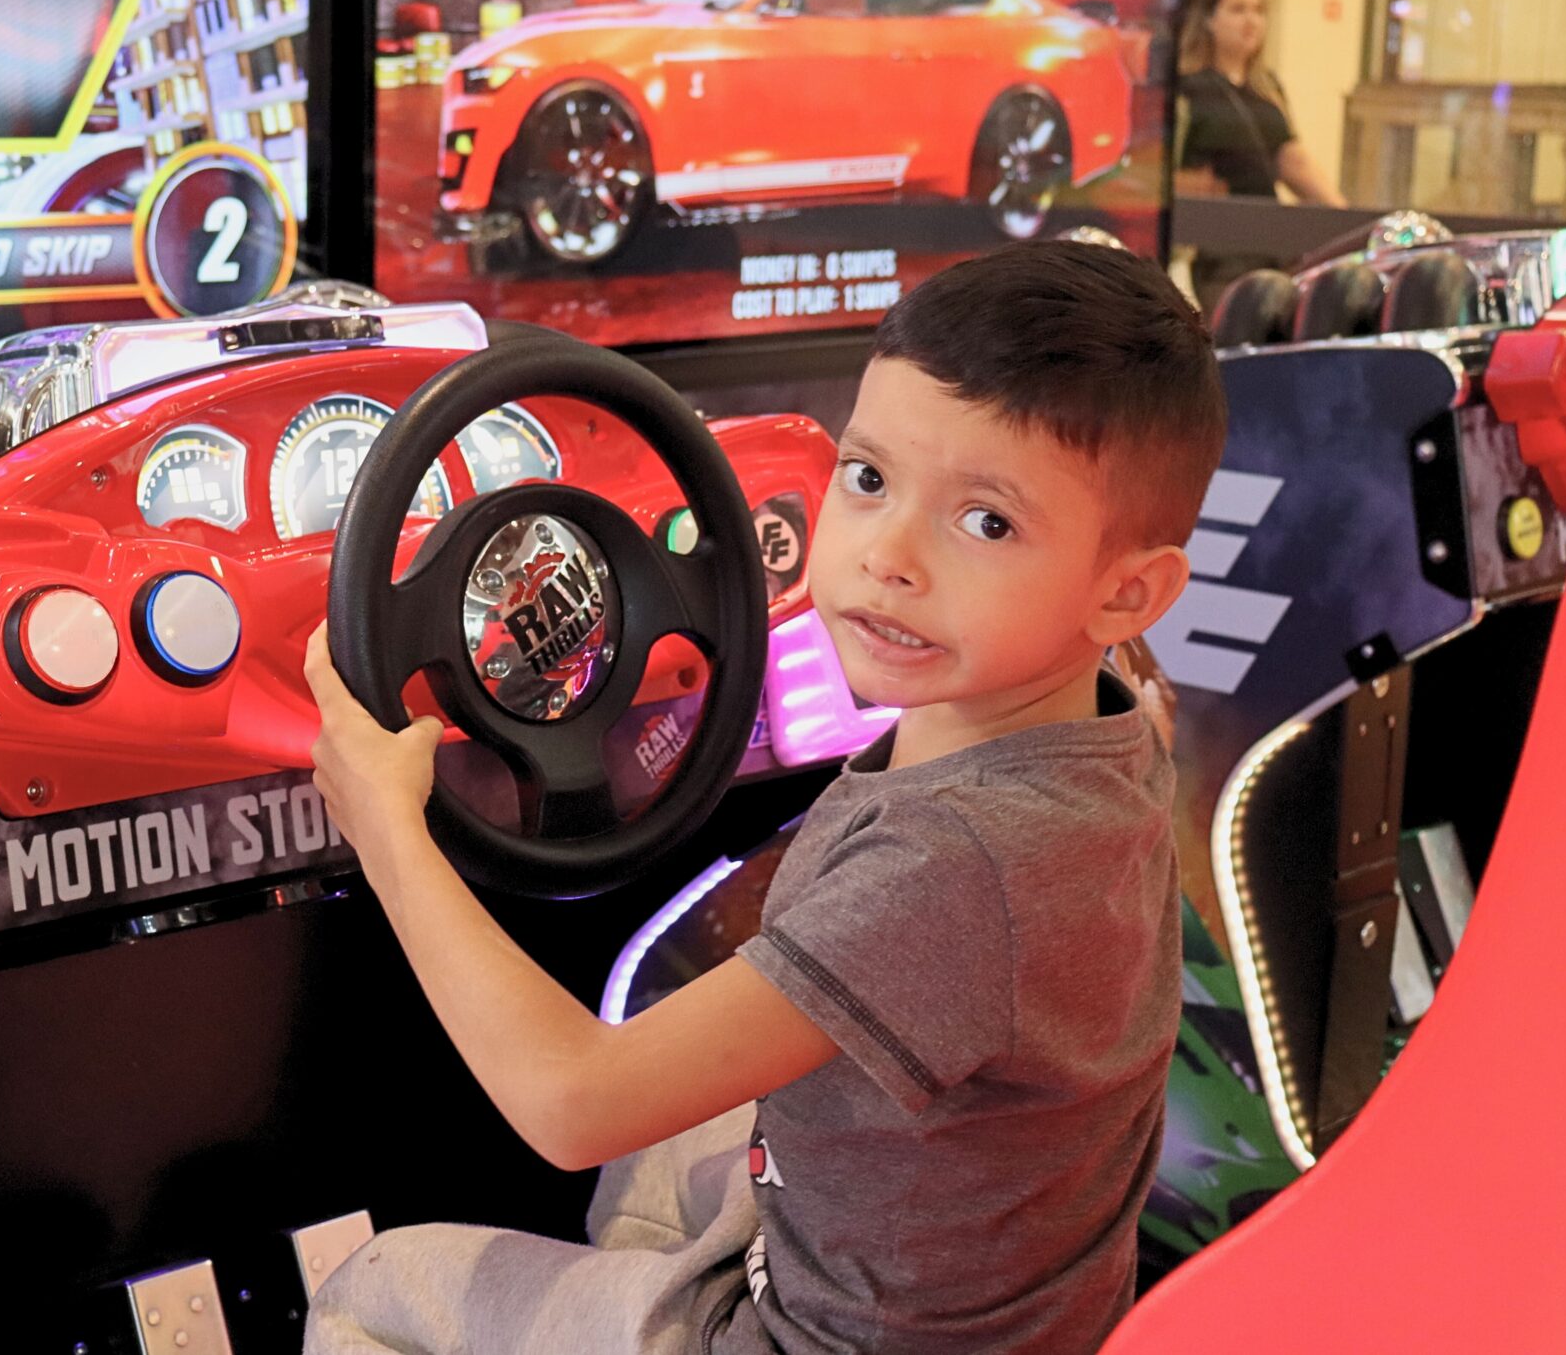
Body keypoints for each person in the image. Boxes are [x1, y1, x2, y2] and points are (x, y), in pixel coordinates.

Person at [299, 240, 1224, 1355]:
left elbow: (568, 1103)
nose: (886, 557)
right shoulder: (1106, 724)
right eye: (871, 478)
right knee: (661, 1154)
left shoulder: (954, 869)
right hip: (1002, 1303)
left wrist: (390, 827)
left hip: (823, 1342)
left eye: (986, 523)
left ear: (1127, 592)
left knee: (377, 1284)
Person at [1174, 0, 1344, 205]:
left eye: (1258, 10)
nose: (1251, 20)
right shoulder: (1187, 86)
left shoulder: (1267, 87)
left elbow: (1292, 160)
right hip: (1209, 224)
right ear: (1209, 20)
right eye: (1238, 9)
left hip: (1262, 221)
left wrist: (1341, 212)